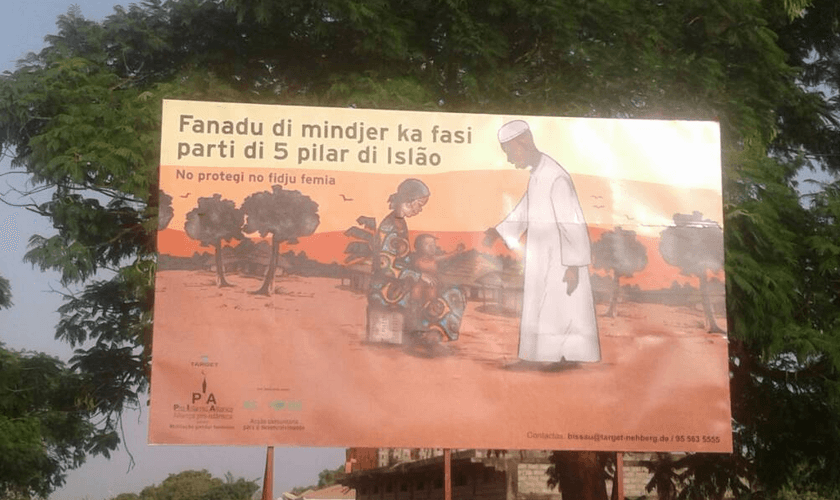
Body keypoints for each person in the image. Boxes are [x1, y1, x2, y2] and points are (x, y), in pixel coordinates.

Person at [485, 120, 600, 368]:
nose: (509, 159)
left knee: (558, 307)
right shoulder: (538, 175)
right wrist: (499, 231)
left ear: (523, 143)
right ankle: (541, 358)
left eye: (510, 152)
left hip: (561, 260)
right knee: (541, 306)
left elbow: (572, 223)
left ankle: (560, 359)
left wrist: (573, 265)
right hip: (541, 255)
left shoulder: (556, 176)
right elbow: (525, 208)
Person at [368, 179, 465, 344]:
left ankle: (429, 329)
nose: (420, 210)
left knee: (442, 287)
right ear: (408, 202)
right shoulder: (389, 226)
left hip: (400, 278)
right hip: (387, 284)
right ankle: (423, 329)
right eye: (419, 205)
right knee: (448, 292)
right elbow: (386, 267)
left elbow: (402, 257)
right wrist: (418, 275)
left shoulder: (399, 222)